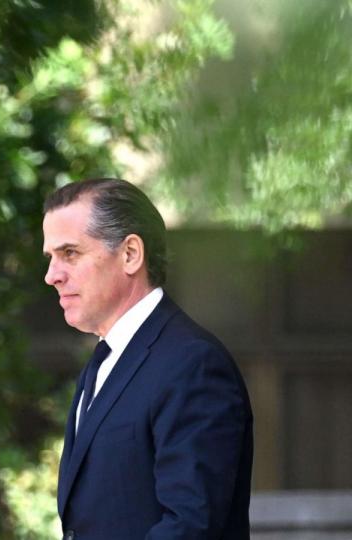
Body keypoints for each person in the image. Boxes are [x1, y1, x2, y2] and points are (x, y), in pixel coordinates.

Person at [41, 178, 253, 539]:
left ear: (130, 254)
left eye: (70, 254)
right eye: (51, 258)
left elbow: (190, 528)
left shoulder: (193, 365)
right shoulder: (103, 362)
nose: (52, 276)